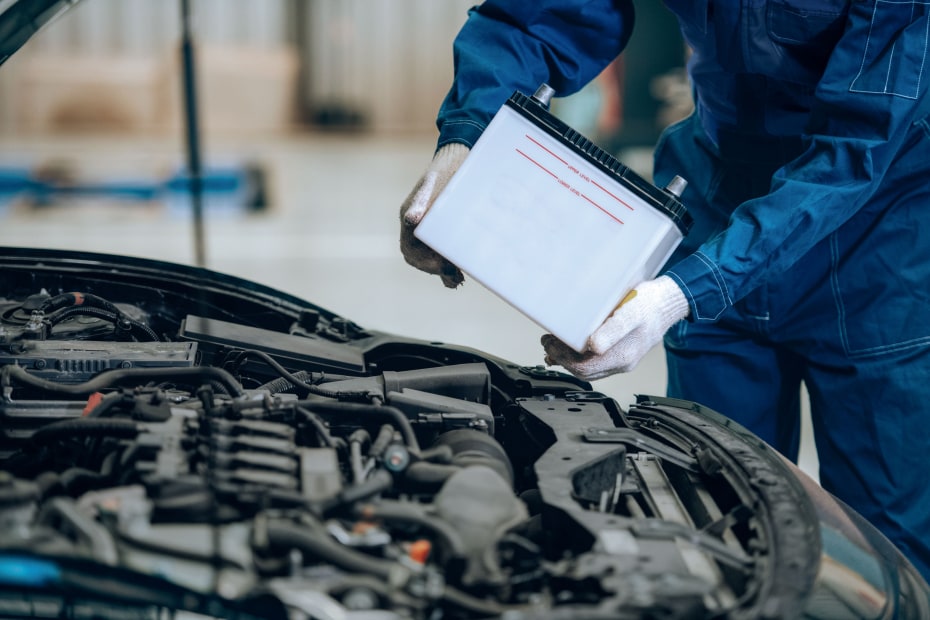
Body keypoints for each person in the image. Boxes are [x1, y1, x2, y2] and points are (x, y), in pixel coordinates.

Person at [398, 0, 930, 581]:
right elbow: (535, 17)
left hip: (875, 247)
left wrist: (678, 295)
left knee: (885, 549)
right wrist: (466, 140)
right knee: (719, 523)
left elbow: (854, 152)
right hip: (718, 202)